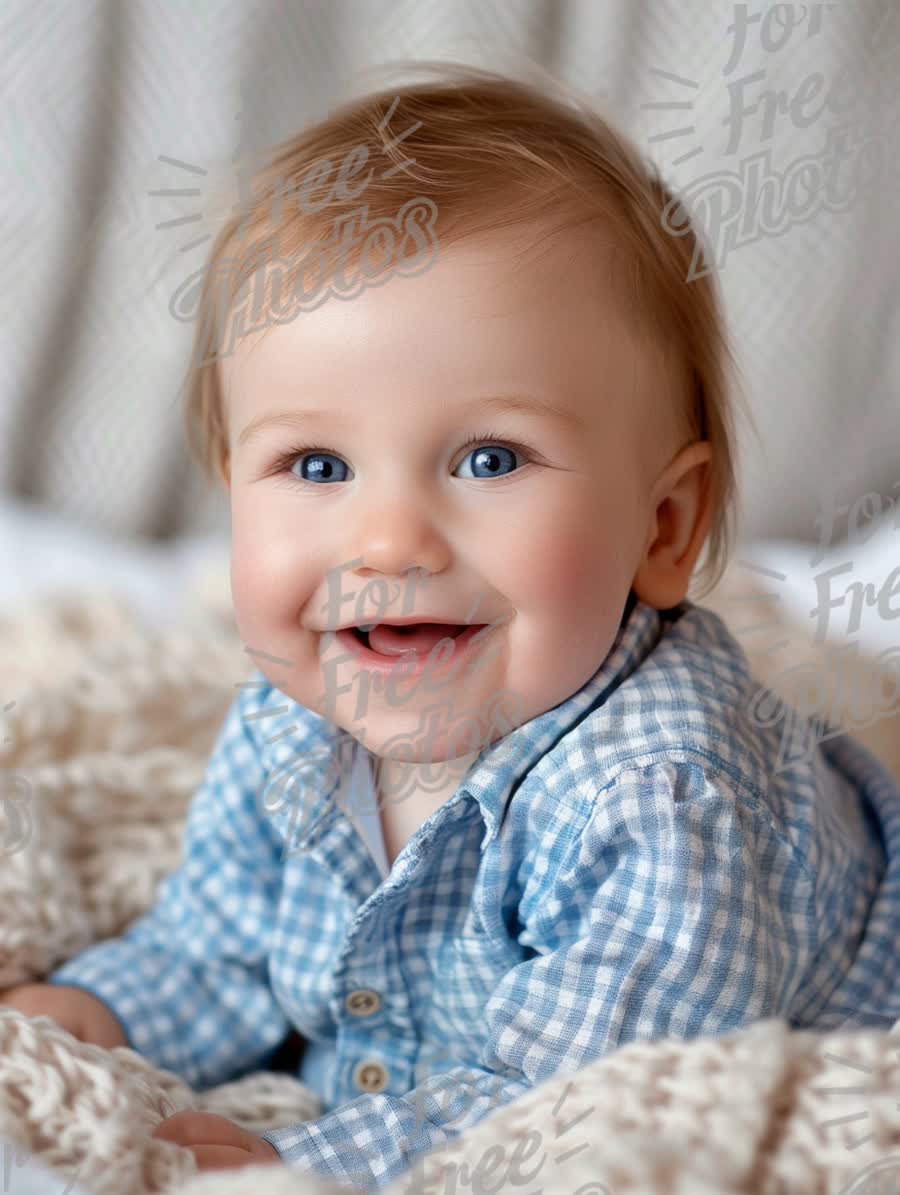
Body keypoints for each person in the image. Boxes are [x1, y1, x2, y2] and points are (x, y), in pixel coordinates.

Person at [3, 62, 899, 1189]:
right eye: (314, 464)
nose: (386, 540)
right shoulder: (294, 722)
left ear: (664, 526)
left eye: (489, 459)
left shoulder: (665, 799)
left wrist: (309, 1156)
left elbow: (583, 1107)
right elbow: (218, 945)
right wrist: (100, 1006)